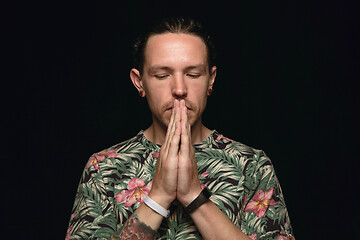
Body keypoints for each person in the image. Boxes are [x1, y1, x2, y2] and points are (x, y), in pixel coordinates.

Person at [66, 17, 295, 240]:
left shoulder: (252, 166)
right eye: (162, 75)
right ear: (139, 82)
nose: (179, 89)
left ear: (211, 80)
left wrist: (194, 196)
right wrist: (158, 198)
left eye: (193, 74)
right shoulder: (103, 168)